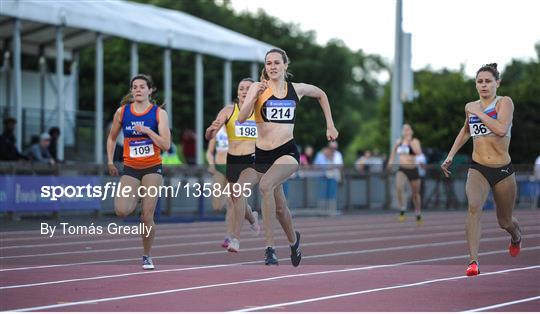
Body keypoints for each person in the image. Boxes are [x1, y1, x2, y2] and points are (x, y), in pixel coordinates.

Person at [238, 48, 338, 266]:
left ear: (285, 65)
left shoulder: (297, 89)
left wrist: (329, 123)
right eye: (268, 63)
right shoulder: (258, 87)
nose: (272, 67)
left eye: (276, 63)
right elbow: (242, 118)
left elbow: (321, 94)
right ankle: (294, 242)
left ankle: (270, 249)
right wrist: (254, 95)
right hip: (263, 154)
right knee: (280, 207)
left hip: (287, 151)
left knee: (265, 186)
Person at [441, 63, 521, 276]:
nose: (484, 85)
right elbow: (466, 131)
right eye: (480, 81)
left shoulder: (504, 103)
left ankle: (516, 236)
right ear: (476, 85)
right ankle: (473, 261)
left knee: (505, 221)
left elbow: (502, 130)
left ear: (497, 83)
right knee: (474, 207)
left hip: (502, 169)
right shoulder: (471, 106)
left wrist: (479, 112)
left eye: (488, 81)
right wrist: (450, 156)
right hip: (478, 167)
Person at [106, 74, 171, 270]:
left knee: (146, 217)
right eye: (134, 87)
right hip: (131, 168)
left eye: (142, 87)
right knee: (122, 210)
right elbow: (111, 138)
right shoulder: (122, 112)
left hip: (152, 168)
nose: (138, 90)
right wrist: (110, 161)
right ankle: (139, 196)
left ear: (150, 90)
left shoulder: (159, 114)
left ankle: (147, 255)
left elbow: (166, 145)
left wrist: (149, 132)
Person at [205, 78, 261, 252]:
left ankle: (235, 239)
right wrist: (210, 130)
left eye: (248, 88)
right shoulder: (229, 111)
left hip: (253, 161)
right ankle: (252, 218)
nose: (244, 91)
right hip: (233, 161)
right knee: (238, 199)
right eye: (241, 88)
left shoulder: (260, 112)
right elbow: (210, 135)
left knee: (237, 195)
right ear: (237, 92)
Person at [206, 125, 236, 248]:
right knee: (216, 206)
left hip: (234, 168)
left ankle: (228, 236)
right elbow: (209, 151)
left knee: (231, 202)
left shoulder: (238, 128)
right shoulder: (217, 130)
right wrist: (211, 163)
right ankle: (249, 214)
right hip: (219, 168)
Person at [387, 124, 423, 224]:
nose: (406, 131)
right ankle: (402, 208)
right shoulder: (399, 142)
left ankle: (418, 213)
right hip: (402, 168)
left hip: (413, 169)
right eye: (404, 129)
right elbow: (393, 152)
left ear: (411, 131)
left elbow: (418, 152)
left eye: (408, 129)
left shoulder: (415, 141)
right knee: (399, 187)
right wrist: (390, 161)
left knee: (415, 194)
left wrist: (409, 142)